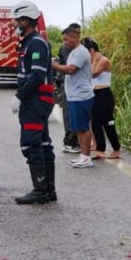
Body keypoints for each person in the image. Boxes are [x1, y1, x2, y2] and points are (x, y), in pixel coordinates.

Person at [10, 1, 58, 204]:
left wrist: (19, 96)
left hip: (35, 100)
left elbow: (37, 75)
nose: (15, 26)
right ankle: (48, 191)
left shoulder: (35, 43)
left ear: (25, 20)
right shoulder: (30, 42)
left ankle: (40, 191)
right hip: (38, 100)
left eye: (17, 21)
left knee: (31, 143)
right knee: (43, 143)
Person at [51, 25, 95, 168]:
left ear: (74, 37)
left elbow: (70, 69)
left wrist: (53, 65)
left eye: (66, 39)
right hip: (74, 96)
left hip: (82, 95)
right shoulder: (73, 52)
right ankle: (82, 155)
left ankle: (87, 157)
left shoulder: (81, 52)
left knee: (84, 127)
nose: (64, 42)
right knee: (78, 128)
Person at [84, 38, 121, 159]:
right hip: (94, 94)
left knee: (108, 122)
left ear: (92, 50)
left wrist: (94, 58)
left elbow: (93, 73)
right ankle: (100, 150)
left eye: (87, 52)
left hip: (104, 94)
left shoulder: (104, 60)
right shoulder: (91, 61)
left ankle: (116, 149)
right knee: (95, 122)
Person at [56, 24, 82, 153]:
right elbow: (70, 67)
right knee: (69, 114)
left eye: (79, 33)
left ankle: (75, 142)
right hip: (67, 84)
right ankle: (70, 142)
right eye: (76, 33)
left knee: (75, 114)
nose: (78, 36)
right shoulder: (67, 48)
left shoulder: (79, 48)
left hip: (73, 84)